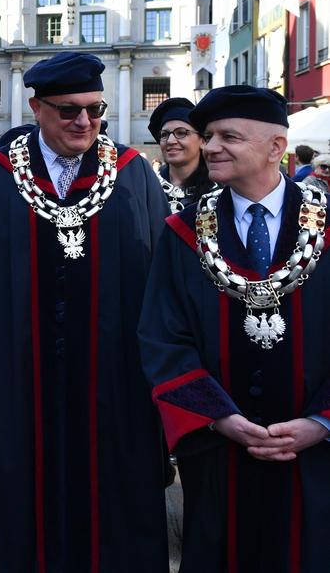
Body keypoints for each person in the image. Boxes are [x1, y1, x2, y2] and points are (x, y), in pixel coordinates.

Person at [0, 52, 170, 571]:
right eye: (68, 110)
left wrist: (165, 362)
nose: (84, 121)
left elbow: (160, 277)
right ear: (36, 107)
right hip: (23, 361)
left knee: (115, 483)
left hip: (114, 365)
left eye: (94, 109)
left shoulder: (130, 173)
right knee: (28, 479)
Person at [140, 86, 330, 572]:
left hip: (317, 457)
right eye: (209, 136)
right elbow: (164, 337)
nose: (212, 146)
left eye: (229, 136)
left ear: (275, 146)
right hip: (219, 451)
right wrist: (218, 416)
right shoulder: (184, 234)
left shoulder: (324, 228)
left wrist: (319, 423)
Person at [148, 97, 217, 214]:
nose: (170, 141)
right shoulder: (148, 189)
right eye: (164, 134)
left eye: (181, 133)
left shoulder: (219, 193)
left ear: (203, 141)